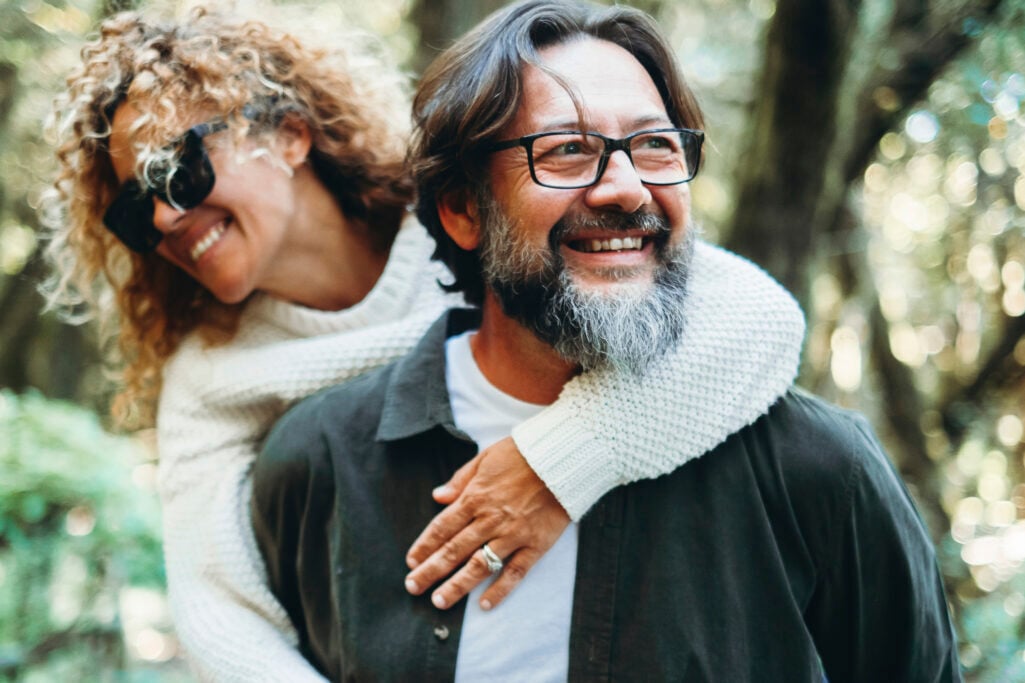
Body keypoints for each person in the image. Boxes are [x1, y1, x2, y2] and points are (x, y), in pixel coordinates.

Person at [41, 4, 806, 681]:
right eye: (137, 212)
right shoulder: (209, 376)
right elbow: (217, 616)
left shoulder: (470, 219)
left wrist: (562, 460)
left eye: (176, 171)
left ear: (290, 135)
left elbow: (757, 316)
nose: (168, 220)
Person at [252, 1, 961, 680]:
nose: (624, 188)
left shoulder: (817, 468)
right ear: (465, 210)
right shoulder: (316, 465)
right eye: (566, 151)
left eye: (654, 145)